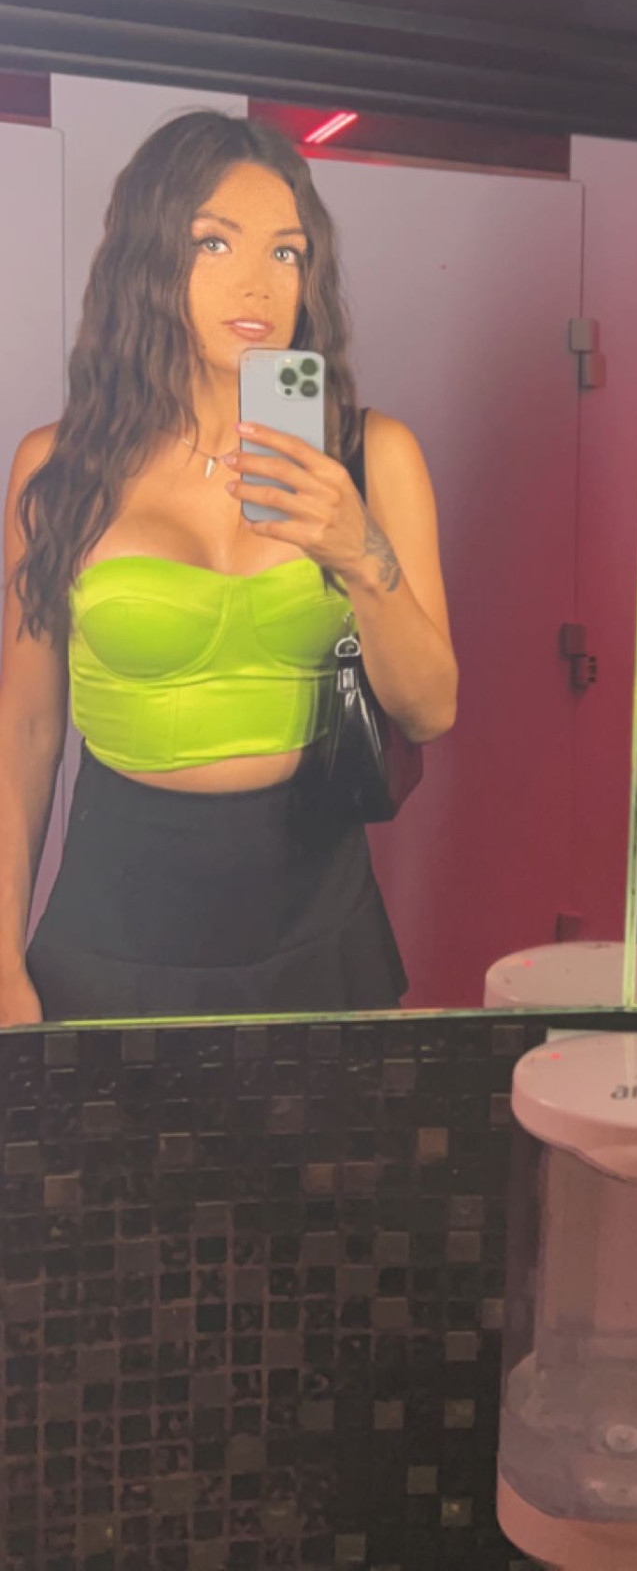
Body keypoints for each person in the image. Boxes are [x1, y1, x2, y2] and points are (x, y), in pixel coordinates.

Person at [0, 110, 457, 1024]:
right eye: (214, 242)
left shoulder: (371, 456)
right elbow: (27, 732)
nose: (257, 282)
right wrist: (1, 957)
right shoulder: (59, 467)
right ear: (148, 260)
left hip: (319, 920)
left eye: (286, 253)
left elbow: (430, 709)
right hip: (112, 931)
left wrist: (358, 551)